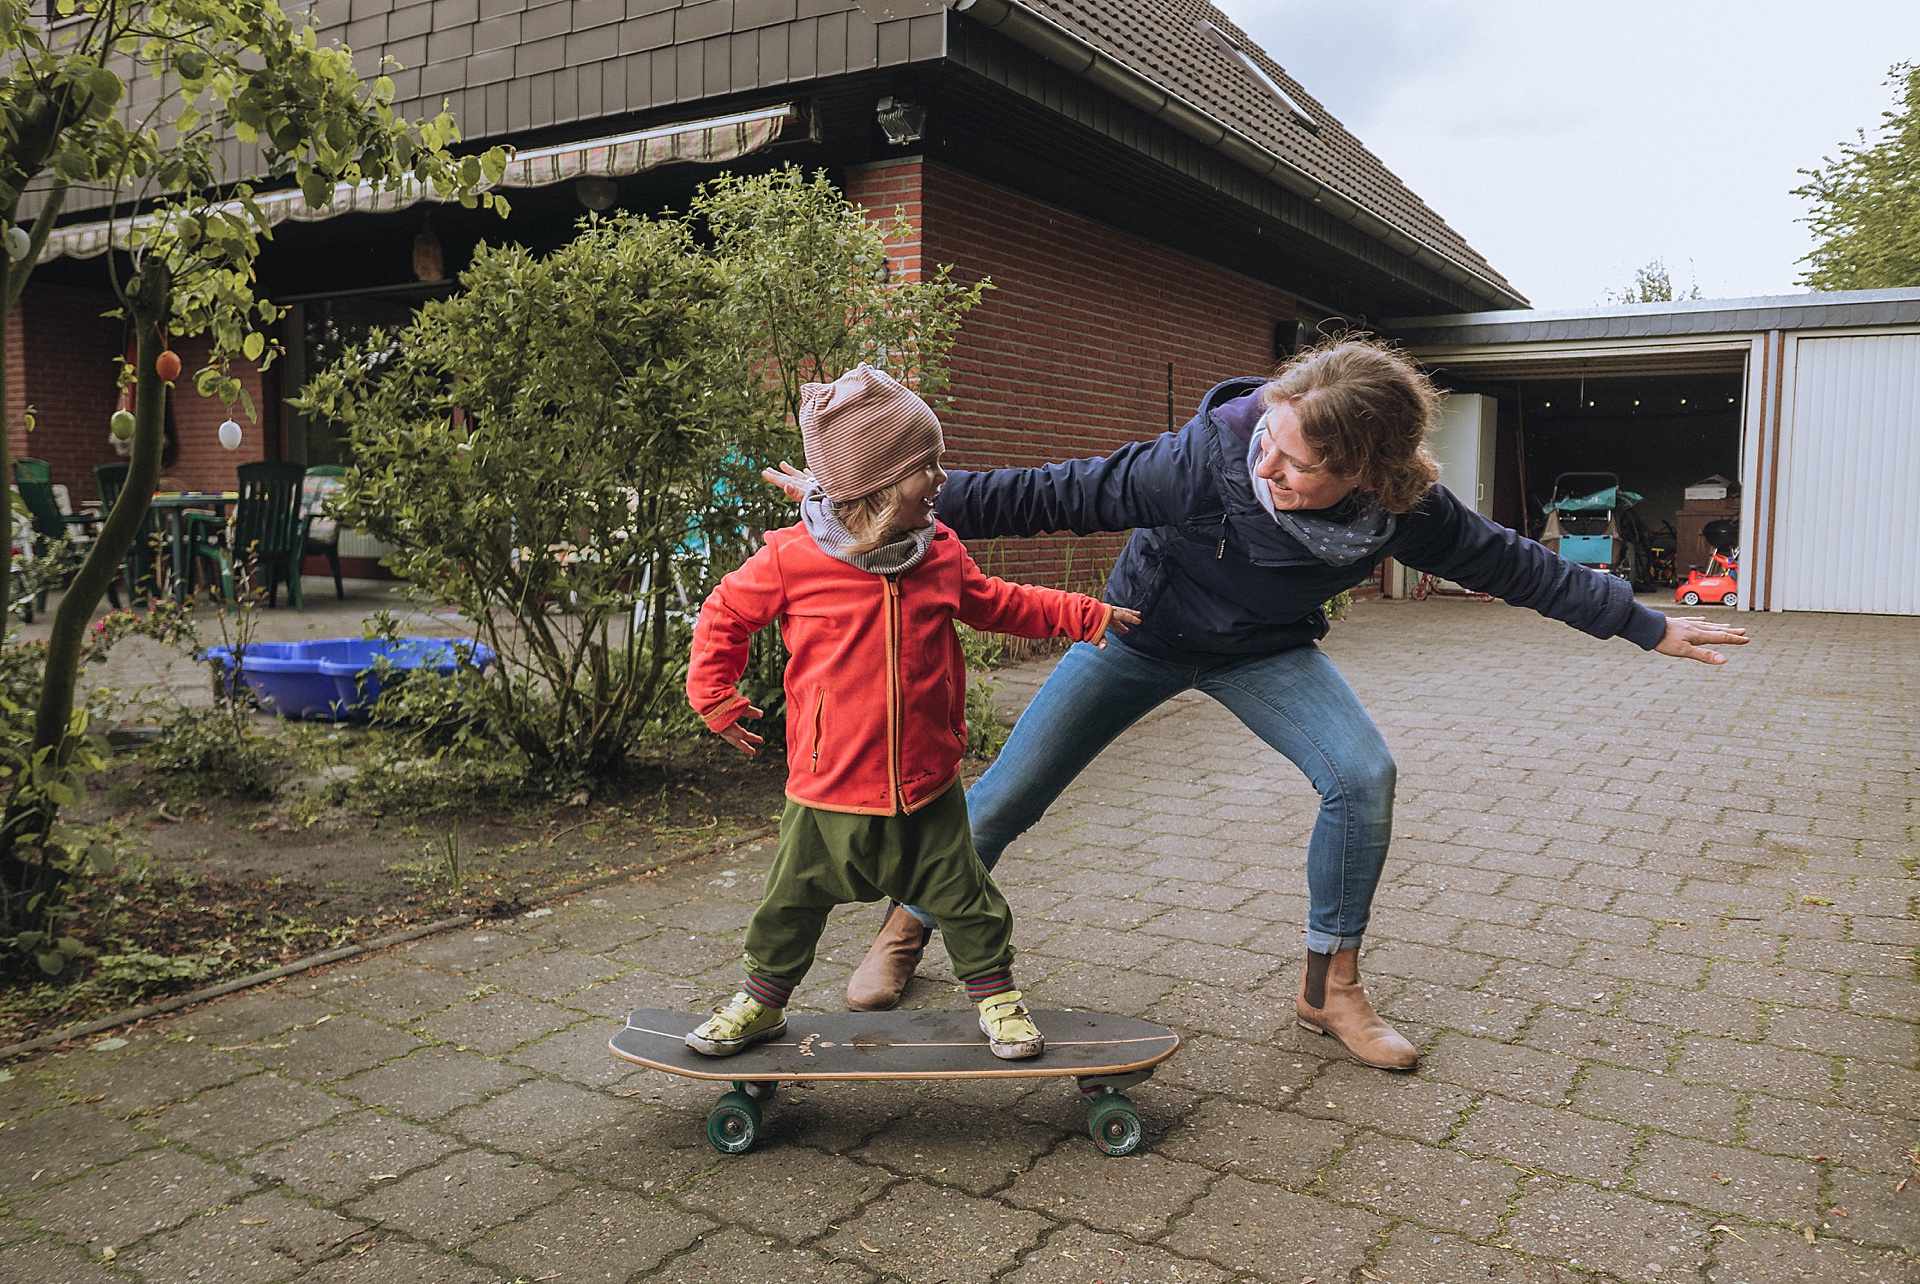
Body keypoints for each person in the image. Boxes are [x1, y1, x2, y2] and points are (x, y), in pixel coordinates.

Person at [774, 338, 1746, 1071]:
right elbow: (1049, 494)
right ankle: (906, 929)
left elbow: (1517, 563)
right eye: (1270, 443)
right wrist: (857, 500)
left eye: (1297, 465)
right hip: (1137, 631)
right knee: (1010, 794)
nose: (1268, 469)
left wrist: (1646, 624)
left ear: (1365, 472)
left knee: (1363, 777)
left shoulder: (1404, 510)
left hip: (1261, 652)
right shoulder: (1210, 456)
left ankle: (1332, 989)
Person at [684, 364, 1140, 1060]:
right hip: (826, 789)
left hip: (926, 788)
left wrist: (1081, 612)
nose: (941, 478)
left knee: (968, 902)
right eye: (926, 466)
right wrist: (713, 692)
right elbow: (724, 613)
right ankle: (761, 1001)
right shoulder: (794, 559)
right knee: (789, 906)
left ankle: (998, 999)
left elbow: (999, 603)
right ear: (874, 489)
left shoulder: (939, 552)